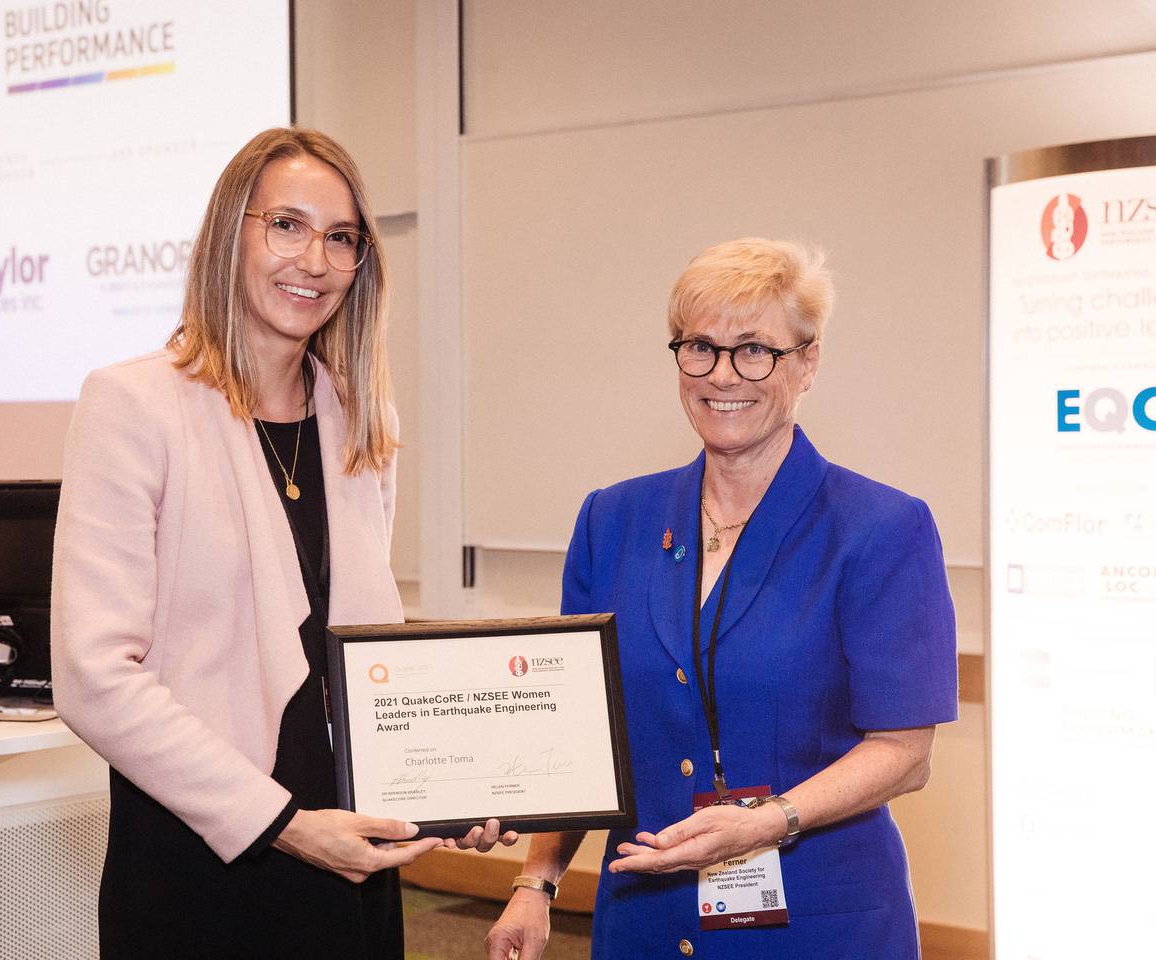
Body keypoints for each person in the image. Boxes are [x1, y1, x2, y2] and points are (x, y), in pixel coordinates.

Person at [52, 127, 511, 960]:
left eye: (341, 238)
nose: (315, 260)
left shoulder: (363, 416)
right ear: (234, 232)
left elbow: (363, 654)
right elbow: (92, 679)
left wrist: (451, 785)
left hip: (352, 853)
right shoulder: (133, 405)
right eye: (287, 225)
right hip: (203, 858)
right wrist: (285, 825)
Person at [486, 238, 957, 959]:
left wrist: (770, 821)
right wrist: (536, 883)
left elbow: (904, 751)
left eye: (754, 350)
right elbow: (582, 733)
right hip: (645, 912)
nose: (722, 374)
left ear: (807, 363)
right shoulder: (611, 521)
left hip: (816, 921)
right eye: (699, 347)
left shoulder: (882, 529)